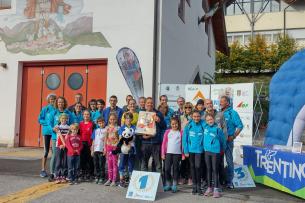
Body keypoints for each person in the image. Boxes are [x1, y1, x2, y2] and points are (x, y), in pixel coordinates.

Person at [220, 96, 243, 189]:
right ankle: (221, 180)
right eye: (220, 101)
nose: (220, 103)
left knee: (229, 161)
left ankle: (230, 181)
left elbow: (240, 126)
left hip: (228, 141)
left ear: (227, 103)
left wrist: (233, 136)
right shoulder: (218, 113)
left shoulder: (233, 113)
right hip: (219, 141)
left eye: (222, 101)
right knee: (219, 161)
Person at [203, 99, 227, 186]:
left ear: (213, 104)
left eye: (210, 103)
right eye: (207, 104)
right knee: (208, 167)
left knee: (219, 165)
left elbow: (224, 128)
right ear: (205, 105)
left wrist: (222, 145)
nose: (209, 105)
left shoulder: (220, 114)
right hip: (208, 148)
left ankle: (220, 183)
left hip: (218, 147)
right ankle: (208, 183)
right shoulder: (203, 116)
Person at [183, 110, 206, 195]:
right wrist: (185, 150)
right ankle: (194, 187)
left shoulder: (203, 124)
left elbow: (210, 127)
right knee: (192, 167)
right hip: (190, 150)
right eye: (195, 116)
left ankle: (199, 187)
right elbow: (184, 139)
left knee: (198, 167)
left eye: (198, 116)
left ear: (200, 117)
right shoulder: (188, 125)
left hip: (199, 150)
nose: (196, 118)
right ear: (192, 117)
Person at [48, 96, 71, 181]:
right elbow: (49, 123)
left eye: (62, 102)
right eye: (59, 102)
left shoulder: (68, 113)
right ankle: (53, 173)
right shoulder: (53, 112)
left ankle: (63, 174)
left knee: (64, 157)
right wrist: (52, 129)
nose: (60, 103)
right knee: (55, 156)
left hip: (66, 139)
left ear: (64, 103)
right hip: (56, 138)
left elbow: (72, 124)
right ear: (56, 103)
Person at [141, 97, 166, 173]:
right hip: (145, 143)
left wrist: (159, 121)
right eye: (148, 103)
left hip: (156, 143)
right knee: (144, 163)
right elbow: (139, 128)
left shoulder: (158, 114)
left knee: (157, 165)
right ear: (145, 104)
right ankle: (144, 183)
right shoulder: (142, 114)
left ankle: (159, 182)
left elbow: (164, 127)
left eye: (151, 103)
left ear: (153, 104)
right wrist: (142, 136)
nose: (150, 104)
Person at [203, 114, 226, 198]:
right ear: (206, 121)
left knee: (215, 170)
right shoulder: (205, 128)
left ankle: (216, 189)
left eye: (211, 119)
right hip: (207, 151)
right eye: (208, 120)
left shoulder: (218, 129)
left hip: (215, 152)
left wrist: (222, 150)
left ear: (214, 119)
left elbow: (222, 140)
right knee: (208, 170)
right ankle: (209, 188)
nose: (210, 121)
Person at [161, 117, 184, 193]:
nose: (174, 125)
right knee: (166, 169)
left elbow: (183, 145)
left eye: (176, 124)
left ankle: (174, 185)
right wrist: (163, 153)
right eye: (173, 124)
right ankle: (168, 184)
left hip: (177, 154)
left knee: (175, 169)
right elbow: (164, 143)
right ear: (170, 124)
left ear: (178, 124)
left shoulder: (181, 132)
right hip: (168, 153)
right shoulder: (168, 132)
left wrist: (183, 154)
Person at [115, 112, 136, 188]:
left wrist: (130, 143)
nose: (128, 120)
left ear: (132, 119)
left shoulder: (134, 127)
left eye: (130, 118)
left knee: (131, 164)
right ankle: (122, 181)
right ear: (124, 119)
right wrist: (123, 143)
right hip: (123, 148)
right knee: (122, 164)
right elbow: (120, 137)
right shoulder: (122, 128)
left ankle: (131, 181)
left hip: (132, 148)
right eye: (127, 118)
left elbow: (135, 138)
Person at [38, 93, 56, 178]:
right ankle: (42, 170)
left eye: (54, 99)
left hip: (54, 133)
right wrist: (47, 124)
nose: (52, 100)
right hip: (46, 133)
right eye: (51, 99)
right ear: (48, 100)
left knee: (54, 152)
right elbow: (40, 119)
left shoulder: (56, 109)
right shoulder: (45, 109)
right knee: (46, 151)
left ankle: (53, 170)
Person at [179, 102, 193, 185]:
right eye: (186, 107)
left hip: (191, 141)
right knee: (183, 160)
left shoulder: (194, 117)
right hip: (183, 140)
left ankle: (190, 178)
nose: (188, 109)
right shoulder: (181, 117)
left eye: (189, 107)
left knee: (190, 161)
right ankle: (183, 177)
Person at [104, 113, 120, 187]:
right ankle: (109, 179)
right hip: (108, 147)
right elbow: (105, 138)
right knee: (109, 163)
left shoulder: (118, 128)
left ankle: (114, 180)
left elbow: (119, 139)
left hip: (115, 147)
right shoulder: (107, 128)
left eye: (113, 119)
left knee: (114, 163)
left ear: (116, 120)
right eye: (111, 119)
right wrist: (105, 148)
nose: (112, 120)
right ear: (109, 120)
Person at [54, 113, 70, 184]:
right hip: (59, 146)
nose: (63, 120)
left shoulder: (69, 127)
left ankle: (64, 175)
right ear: (60, 119)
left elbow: (67, 137)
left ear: (67, 119)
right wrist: (62, 145)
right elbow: (59, 135)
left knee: (65, 161)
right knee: (58, 161)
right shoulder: (57, 126)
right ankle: (57, 175)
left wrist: (65, 145)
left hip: (66, 146)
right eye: (62, 118)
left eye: (65, 118)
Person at [79, 110, 95, 182]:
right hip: (82, 144)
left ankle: (90, 174)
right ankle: (83, 173)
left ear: (90, 115)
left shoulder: (92, 124)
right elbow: (78, 134)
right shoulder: (80, 124)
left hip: (90, 144)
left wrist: (93, 145)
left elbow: (94, 135)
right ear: (83, 115)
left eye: (88, 114)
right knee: (82, 159)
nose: (86, 116)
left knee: (90, 159)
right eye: (85, 114)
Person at [91, 117, 107, 185]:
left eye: (102, 123)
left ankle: (102, 177)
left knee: (101, 164)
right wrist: (92, 150)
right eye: (99, 123)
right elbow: (93, 140)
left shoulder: (106, 130)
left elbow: (106, 141)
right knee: (96, 164)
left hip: (101, 149)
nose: (101, 124)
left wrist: (105, 149)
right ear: (97, 123)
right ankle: (97, 176)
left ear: (104, 123)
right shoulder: (96, 130)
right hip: (95, 150)